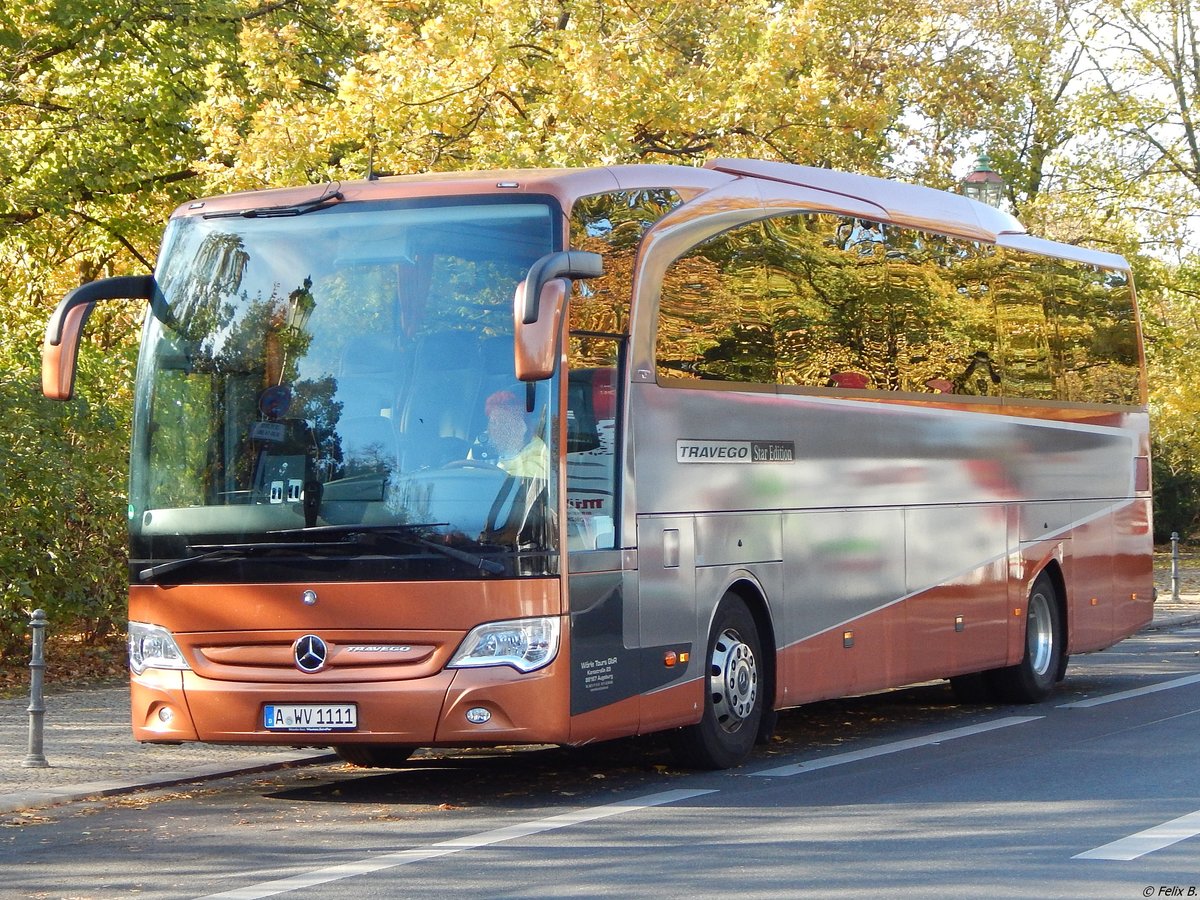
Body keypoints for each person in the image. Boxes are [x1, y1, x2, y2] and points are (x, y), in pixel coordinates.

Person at [469, 389, 548, 478]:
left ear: (521, 426)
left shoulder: (538, 451)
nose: (496, 429)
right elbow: (467, 475)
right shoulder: (483, 441)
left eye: (503, 423)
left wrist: (512, 447)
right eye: (493, 422)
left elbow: (522, 487)